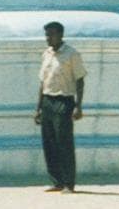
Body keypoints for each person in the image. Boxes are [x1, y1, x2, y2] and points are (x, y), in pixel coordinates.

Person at [34, 20, 85, 193]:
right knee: (49, 143)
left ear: (61, 35)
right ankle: (57, 181)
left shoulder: (72, 54)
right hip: (48, 100)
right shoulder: (46, 54)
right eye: (47, 34)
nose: (48, 38)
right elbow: (42, 82)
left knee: (64, 143)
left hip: (64, 101)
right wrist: (38, 108)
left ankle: (69, 183)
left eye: (52, 34)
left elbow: (80, 80)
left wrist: (78, 106)